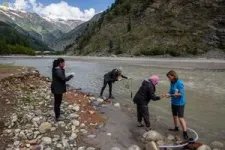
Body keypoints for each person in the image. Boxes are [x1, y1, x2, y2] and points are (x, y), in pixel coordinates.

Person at [164, 70, 189, 140]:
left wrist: (171, 95)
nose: (169, 79)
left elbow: (181, 94)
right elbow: (171, 91)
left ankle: (185, 132)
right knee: (174, 116)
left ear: (173, 76)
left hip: (180, 103)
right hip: (173, 102)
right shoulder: (172, 82)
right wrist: (168, 94)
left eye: (169, 77)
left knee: (181, 118)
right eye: (168, 77)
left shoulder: (179, 83)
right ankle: (176, 128)